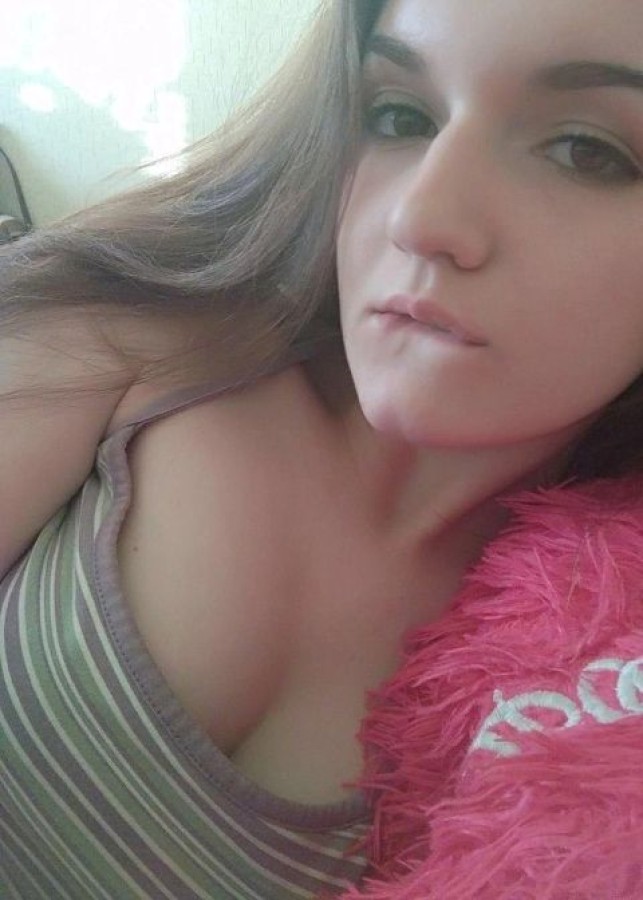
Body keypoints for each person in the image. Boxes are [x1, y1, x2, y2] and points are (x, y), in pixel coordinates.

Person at [2, 0, 643, 897]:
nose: (420, 217)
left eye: (584, 151)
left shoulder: (600, 666)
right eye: (399, 116)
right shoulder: (132, 339)